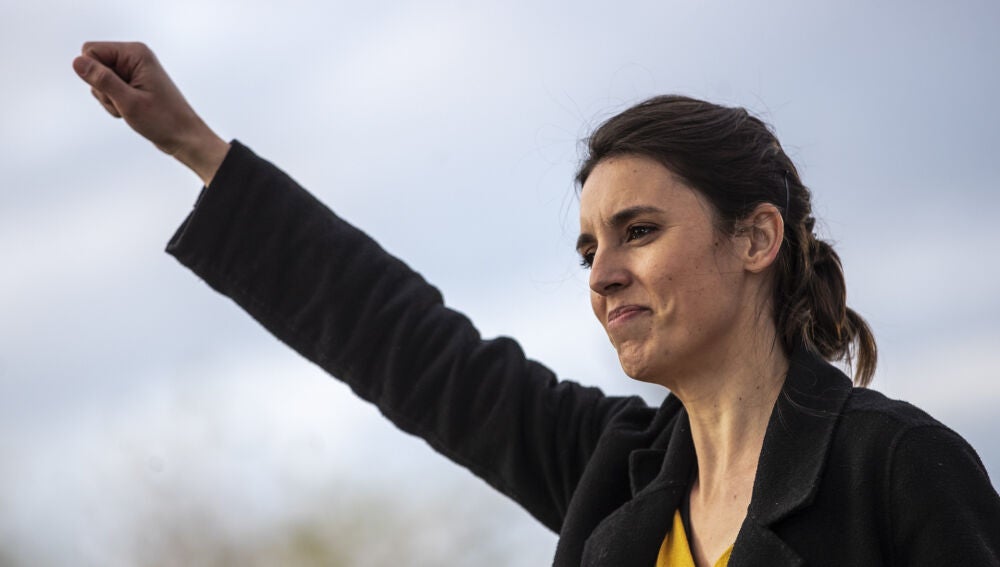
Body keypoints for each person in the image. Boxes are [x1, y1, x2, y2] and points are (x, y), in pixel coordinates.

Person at [72, 42, 1000, 566]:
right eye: (589, 249)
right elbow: (408, 345)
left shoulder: (897, 468)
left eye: (639, 231)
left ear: (756, 238)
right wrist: (197, 148)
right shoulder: (615, 472)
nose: (602, 275)